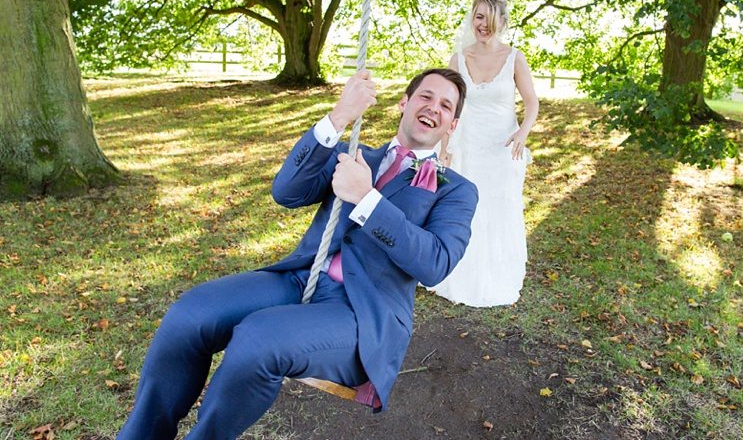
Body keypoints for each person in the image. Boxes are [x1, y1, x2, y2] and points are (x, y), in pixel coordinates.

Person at [116, 69, 478, 440]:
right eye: (425, 97)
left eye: (445, 106)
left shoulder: (457, 190)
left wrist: (367, 199)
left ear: (452, 124)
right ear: (404, 103)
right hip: (300, 279)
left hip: (362, 314)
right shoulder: (352, 155)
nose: (433, 108)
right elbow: (286, 192)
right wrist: (339, 117)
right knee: (190, 315)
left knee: (258, 340)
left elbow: (436, 263)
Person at [428, 0, 539, 307]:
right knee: (465, 210)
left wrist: (522, 132)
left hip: (503, 147)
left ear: (502, 22)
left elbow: (532, 103)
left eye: (490, 19)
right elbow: (450, 107)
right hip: (467, 146)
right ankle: (457, 273)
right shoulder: (459, 59)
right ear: (472, 19)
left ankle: (496, 275)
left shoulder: (515, 57)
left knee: (499, 209)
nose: (483, 25)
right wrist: (444, 146)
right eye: (478, 17)